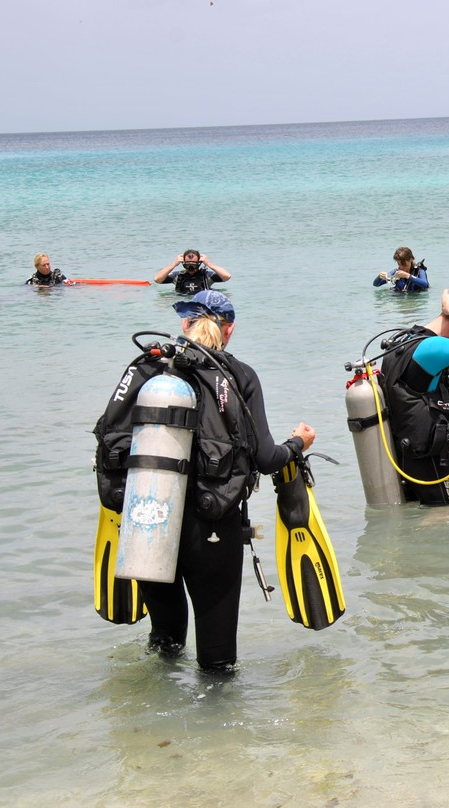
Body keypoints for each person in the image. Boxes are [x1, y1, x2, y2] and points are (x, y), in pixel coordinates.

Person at [101, 290, 314, 671]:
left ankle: (155, 704)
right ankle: (216, 711)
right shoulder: (239, 375)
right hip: (211, 526)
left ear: (184, 324)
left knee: (164, 646)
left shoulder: (146, 368)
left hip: (148, 517)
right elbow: (267, 459)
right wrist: (298, 443)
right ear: (229, 329)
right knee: (217, 664)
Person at [380, 289, 449, 505]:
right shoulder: (430, 347)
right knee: (443, 513)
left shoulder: (410, 340)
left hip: (409, 453)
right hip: (427, 459)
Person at [153, 249, 231, 295]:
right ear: (183, 264)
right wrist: (174, 264)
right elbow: (157, 279)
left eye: (193, 265)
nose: (190, 268)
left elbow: (227, 276)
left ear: (199, 263)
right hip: (183, 300)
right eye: (188, 265)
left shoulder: (206, 276)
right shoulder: (178, 276)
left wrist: (209, 264)